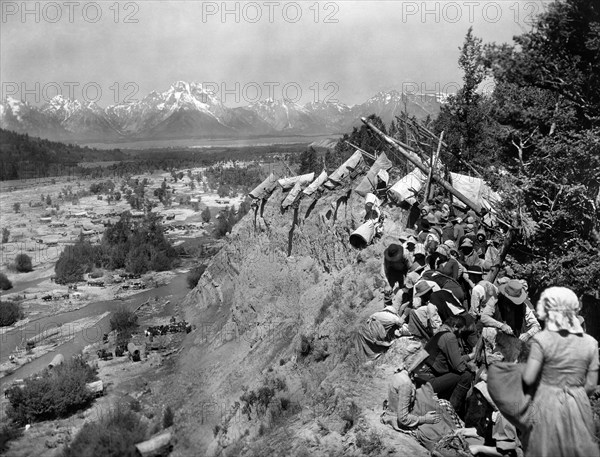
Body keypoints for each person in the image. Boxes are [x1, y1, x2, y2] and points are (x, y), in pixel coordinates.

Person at [521, 287, 600, 457]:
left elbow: (528, 378)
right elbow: (592, 385)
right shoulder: (591, 343)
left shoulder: (542, 340)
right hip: (578, 402)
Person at [381, 343, 464, 451]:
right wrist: (425, 419)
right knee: (437, 429)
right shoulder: (406, 384)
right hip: (398, 420)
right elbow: (403, 418)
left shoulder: (401, 374)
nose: (424, 367)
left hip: (397, 412)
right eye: (421, 364)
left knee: (443, 404)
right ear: (414, 364)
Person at [418, 315, 476, 415]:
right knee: (466, 375)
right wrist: (473, 367)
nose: (460, 334)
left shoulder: (440, 333)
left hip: (422, 377)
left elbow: (455, 359)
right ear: (455, 326)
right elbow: (459, 367)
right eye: (461, 330)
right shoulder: (450, 337)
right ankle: (451, 410)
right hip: (430, 381)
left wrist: (471, 355)